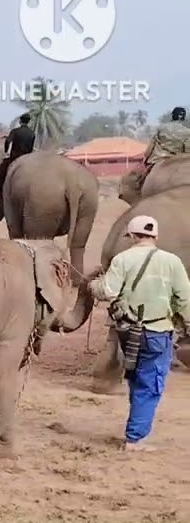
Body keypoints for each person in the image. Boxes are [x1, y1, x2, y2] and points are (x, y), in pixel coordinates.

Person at [84, 216, 190, 451]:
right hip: (158, 331)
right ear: (156, 237)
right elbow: (185, 299)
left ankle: (135, 427)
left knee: (135, 377)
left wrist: (92, 285)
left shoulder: (123, 259)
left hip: (128, 331)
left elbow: (107, 290)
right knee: (150, 384)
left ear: (131, 236)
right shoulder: (172, 262)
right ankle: (136, 438)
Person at [0, 113, 36, 199]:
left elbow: (8, 141)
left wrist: (6, 151)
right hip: (27, 158)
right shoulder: (32, 133)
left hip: (15, 157)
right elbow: (31, 146)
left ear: (20, 121)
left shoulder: (15, 131)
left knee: (2, 168)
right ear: (28, 122)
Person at [143, 106, 190, 170]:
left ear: (173, 115)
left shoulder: (161, 129)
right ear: (184, 117)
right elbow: (187, 151)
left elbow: (151, 147)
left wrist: (145, 159)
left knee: (138, 177)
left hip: (158, 160)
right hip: (178, 162)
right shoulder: (187, 132)